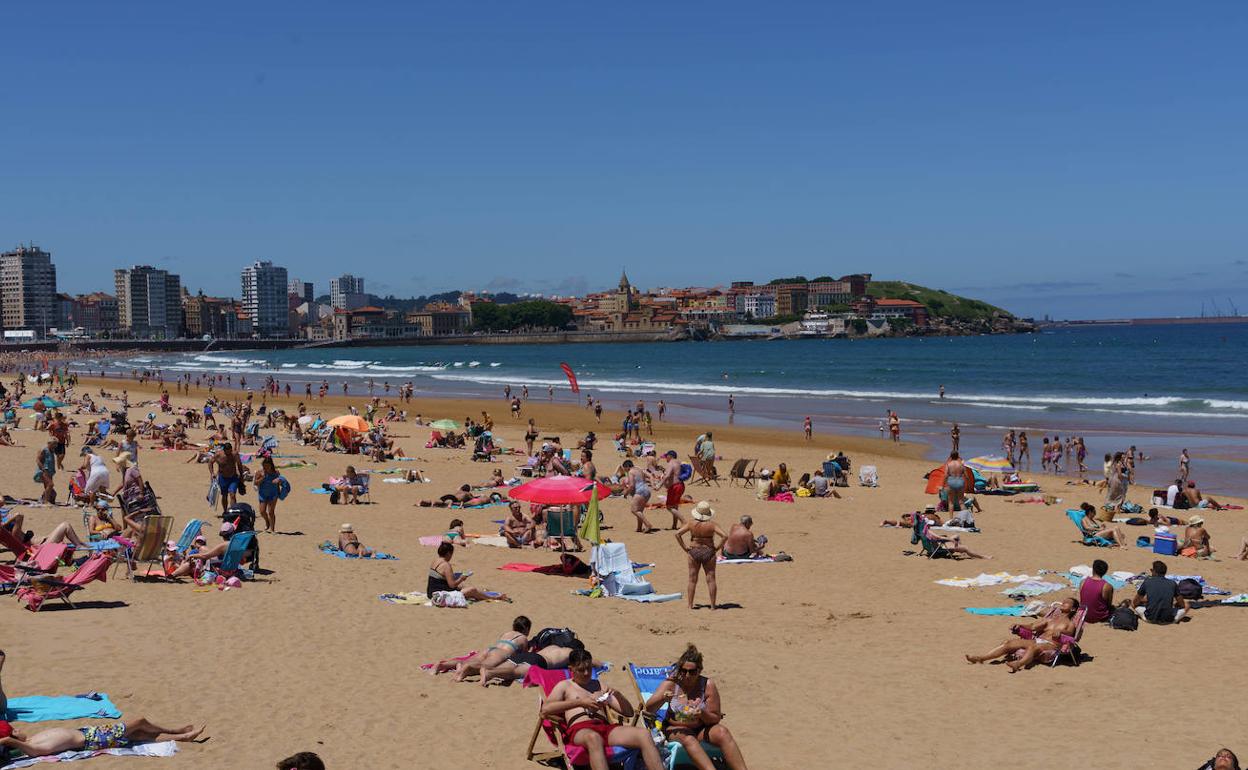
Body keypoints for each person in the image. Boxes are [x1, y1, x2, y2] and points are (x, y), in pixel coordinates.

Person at [541, 649, 664, 770]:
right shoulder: (565, 686)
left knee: (644, 734)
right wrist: (580, 702)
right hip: (580, 730)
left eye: (589, 668)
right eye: (581, 670)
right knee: (594, 738)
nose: (586, 673)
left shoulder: (598, 685)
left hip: (604, 728)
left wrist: (618, 695)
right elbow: (545, 709)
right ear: (571, 669)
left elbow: (629, 713)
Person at [643, 645, 750, 770]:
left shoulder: (707, 685)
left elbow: (715, 718)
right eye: (683, 671)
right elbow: (649, 709)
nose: (687, 675)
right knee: (689, 739)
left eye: (692, 672)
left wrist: (702, 713)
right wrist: (663, 698)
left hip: (700, 728)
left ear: (699, 670)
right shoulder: (671, 684)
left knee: (722, 732)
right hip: (675, 729)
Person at [964, 597, 1081, 673]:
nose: (1063, 603)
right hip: (1038, 640)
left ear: (1073, 609)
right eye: (1063, 601)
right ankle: (981, 658)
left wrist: (1061, 633)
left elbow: (1071, 635)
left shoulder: (1070, 623)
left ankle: (1018, 664)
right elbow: (1033, 626)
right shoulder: (1050, 619)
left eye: (1067, 603)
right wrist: (1020, 625)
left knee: (1033, 647)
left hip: (1051, 644)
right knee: (1009, 643)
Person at [1, 717, 204, 757]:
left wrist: (11, 740)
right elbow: (38, 752)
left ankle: (183, 736)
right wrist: (8, 740)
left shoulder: (31, 740)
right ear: (13, 739)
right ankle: (177, 731)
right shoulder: (34, 745)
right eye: (15, 731)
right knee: (139, 723)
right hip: (93, 739)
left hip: (90, 734)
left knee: (139, 736)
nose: (18, 730)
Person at [675, 501, 727, 610]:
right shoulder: (712, 525)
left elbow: (677, 534)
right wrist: (717, 548)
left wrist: (684, 547)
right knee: (711, 579)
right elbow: (724, 536)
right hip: (709, 551)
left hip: (694, 551)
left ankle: (690, 605)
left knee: (692, 579)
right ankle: (713, 606)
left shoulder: (691, 523)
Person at [427, 542, 508, 602]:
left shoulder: (435, 561)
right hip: (440, 595)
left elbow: (440, 578)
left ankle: (483, 594)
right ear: (448, 553)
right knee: (472, 590)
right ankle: (494, 598)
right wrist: (462, 578)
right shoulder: (446, 565)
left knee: (462, 587)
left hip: (431, 592)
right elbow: (452, 585)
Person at [621, 460, 657, 534]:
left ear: (627, 467)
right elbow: (650, 476)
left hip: (640, 491)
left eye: (625, 469)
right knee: (639, 510)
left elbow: (631, 485)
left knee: (634, 510)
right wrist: (653, 485)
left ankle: (648, 525)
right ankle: (639, 528)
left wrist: (625, 493)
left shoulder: (631, 472)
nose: (625, 471)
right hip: (647, 490)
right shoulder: (639, 469)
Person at [255, 457, 289, 533]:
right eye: (264, 466)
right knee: (262, 511)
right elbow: (256, 483)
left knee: (271, 511)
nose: (266, 468)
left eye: (267, 466)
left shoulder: (276, 472)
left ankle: (272, 529)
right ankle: (267, 521)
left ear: (271, 465)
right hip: (263, 494)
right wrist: (262, 478)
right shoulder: (260, 472)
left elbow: (281, 482)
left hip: (273, 494)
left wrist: (279, 483)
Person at [209, 442, 244, 514]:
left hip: (233, 477)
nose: (228, 454)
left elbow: (239, 465)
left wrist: (241, 476)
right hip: (223, 478)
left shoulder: (234, 454)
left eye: (230, 452)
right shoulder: (218, 455)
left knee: (232, 494)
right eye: (227, 452)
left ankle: (233, 511)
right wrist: (212, 473)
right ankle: (225, 511)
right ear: (224, 450)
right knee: (224, 495)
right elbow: (210, 462)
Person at [1079, 559, 1115, 624]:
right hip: (1100, 617)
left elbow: (1083, 598)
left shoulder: (1083, 582)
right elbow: (1108, 604)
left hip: (1083, 615)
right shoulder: (1107, 586)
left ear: (1093, 569)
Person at [660, 450, 686, 529]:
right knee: (675, 506)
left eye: (666, 456)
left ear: (670, 456)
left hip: (675, 487)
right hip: (681, 485)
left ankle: (684, 522)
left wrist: (659, 485)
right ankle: (674, 525)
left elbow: (667, 476)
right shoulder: (678, 462)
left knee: (669, 507)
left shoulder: (671, 463)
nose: (665, 458)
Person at [34, 439, 57, 503]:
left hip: (50, 471)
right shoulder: (44, 450)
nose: (55, 445)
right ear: (49, 443)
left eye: (56, 444)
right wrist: (43, 469)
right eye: (54, 444)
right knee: (50, 485)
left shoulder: (52, 450)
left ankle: (45, 498)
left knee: (52, 491)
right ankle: (46, 501)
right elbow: (38, 460)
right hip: (44, 471)